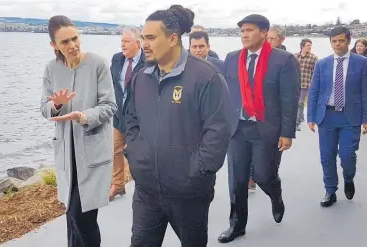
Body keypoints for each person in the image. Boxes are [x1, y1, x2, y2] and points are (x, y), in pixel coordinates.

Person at [125, 5, 232, 247]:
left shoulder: (206, 76)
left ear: (173, 39)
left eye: (151, 37)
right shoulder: (141, 77)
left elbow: (219, 128)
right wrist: (136, 155)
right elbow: (130, 119)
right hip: (147, 189)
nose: (144, 44)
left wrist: (198, 170)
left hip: (189, 192)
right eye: (143, 38)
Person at [218, 14, 300, 243]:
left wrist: (287, 132)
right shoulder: (232, 58)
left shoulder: (283, 60)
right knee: (237, 180)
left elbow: (289, 98)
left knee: (264, 176)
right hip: (238, 129)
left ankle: (275, 194)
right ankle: (237, 225)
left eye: (249, 30)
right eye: (242, 30)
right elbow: (226, 94)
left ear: (264, 33)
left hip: (266, 128)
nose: (244, 34)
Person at [40, 15, 117, 246]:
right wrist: (57, 105)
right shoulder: (51, 69)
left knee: (80, 215)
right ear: (54, 45)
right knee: (71, 216)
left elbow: (110, 106)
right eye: (65, 42)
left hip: (92, 152)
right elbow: (44, 109)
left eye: (75, 38)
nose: (72, 45)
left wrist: (85, 117)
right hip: (66, 154)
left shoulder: (98, 64)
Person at [307, 26, 367, 207]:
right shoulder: (322, 64)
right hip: (327, 116)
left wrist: (366, 118)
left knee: (347, 154)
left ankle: (348, 178)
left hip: (351, 116)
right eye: (334, 41)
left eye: (341, 40)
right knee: (327, 156)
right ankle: (330, 190)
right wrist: (310, 116)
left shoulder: (362, 63)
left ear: (348, 41)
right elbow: (314, 91)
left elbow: (365, 91)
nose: (337, 44)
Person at [109, 27, 145, 201]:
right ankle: (118, 185)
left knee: (135, 154)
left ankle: (142, 186)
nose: (122, 44)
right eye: (121, 40)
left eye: (126, 41)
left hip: (138, 119)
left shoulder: (148, 61)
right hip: (118, 115)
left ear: (138, 43)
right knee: (114, 150)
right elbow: (111, 84)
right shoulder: (117, 59)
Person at [294, 38, 318, 131]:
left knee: (300, 103)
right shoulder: (294, 56)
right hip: (295, 84)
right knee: (295, 103)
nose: (310, 47)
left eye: (310, 46)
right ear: (302, 46)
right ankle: (301, 117)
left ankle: (296, 123)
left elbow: (315, 73)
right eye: (308, 46)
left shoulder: (313, 58)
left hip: (306, 84)